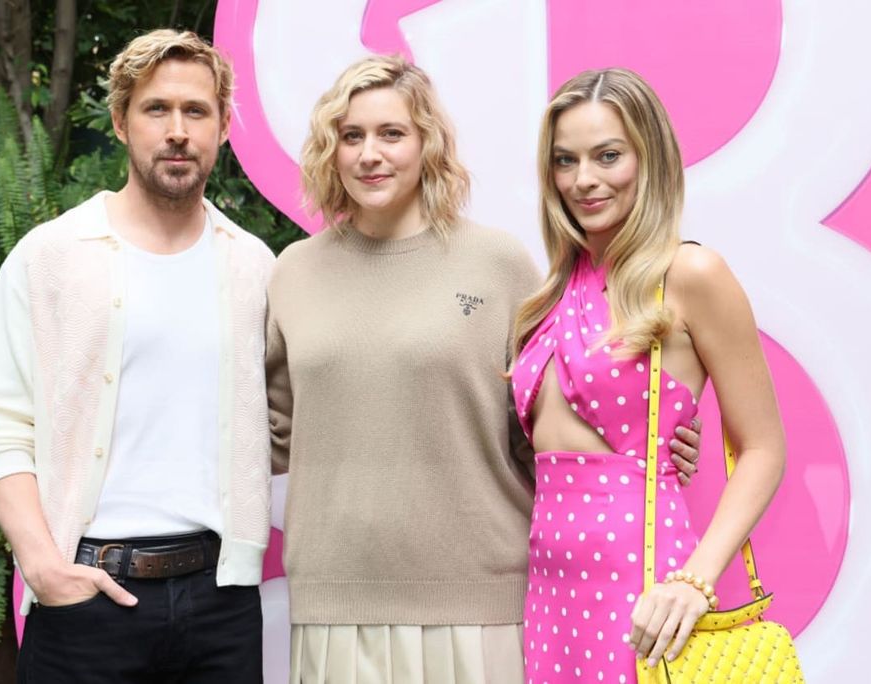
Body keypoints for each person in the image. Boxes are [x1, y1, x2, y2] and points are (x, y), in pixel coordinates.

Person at [266, 55, 702, 683]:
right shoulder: (294, 272)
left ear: (427, 144)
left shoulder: (497, 264)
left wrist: (655, 447)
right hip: (335, 601)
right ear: (329, 150)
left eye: (392, 134)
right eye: (350, 136)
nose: (369, 154)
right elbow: (270, 433)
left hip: (480, 600)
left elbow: (548, 416)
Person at [0, 30, 273, 682]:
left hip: (222, 605)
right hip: (86, 599)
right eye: (157, 109)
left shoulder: (254, 267)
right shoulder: (50, 256)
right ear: (121, 122)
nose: (178, 130)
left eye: (197, 111)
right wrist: (41, 563)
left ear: (222, 127)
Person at [511, 67, 786, 682]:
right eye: (565, 160)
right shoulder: (555, 290)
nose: (584, 179)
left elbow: (765, 447)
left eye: (608, 156)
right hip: (549, 588)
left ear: (650, 157)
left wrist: (696, 581)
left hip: (644, 585)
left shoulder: (691, 273)